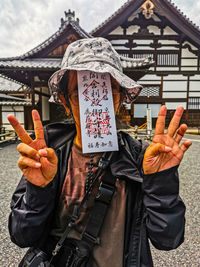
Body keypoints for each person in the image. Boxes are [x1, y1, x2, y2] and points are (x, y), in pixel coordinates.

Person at [7, 37, 192, 267]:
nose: (94, 103)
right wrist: (39, 189)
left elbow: (168, 239)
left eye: (107, 91)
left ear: (120, 98)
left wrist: (161, 181)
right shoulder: (48, 155)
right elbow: (21, 236)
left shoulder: (142, 158)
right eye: (83, 92)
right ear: (64, 100)